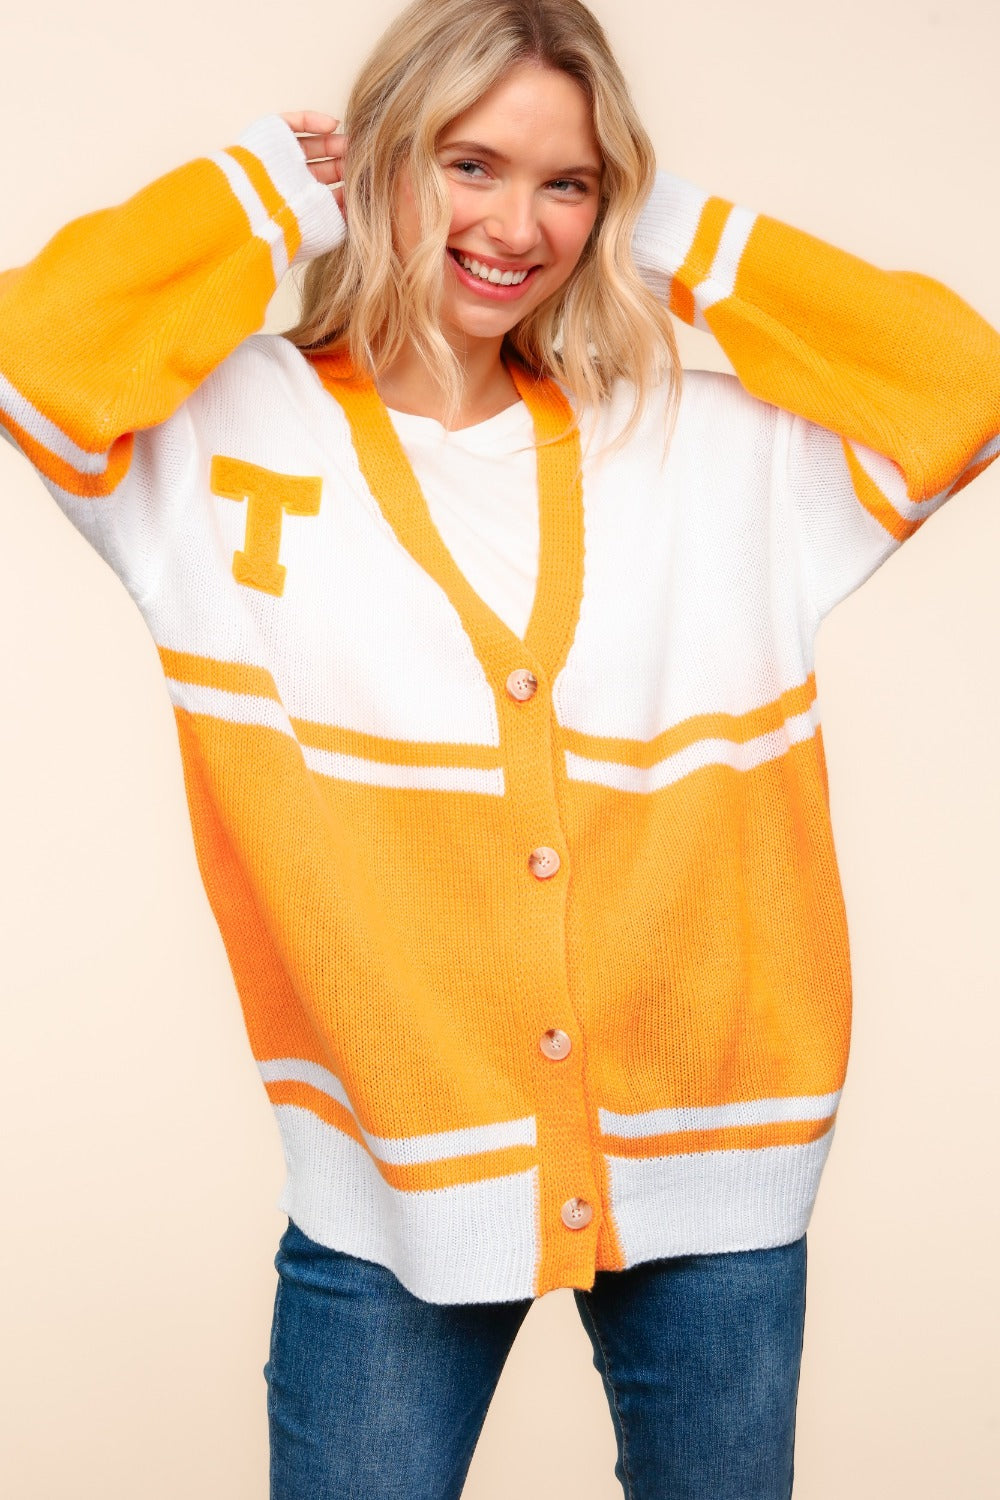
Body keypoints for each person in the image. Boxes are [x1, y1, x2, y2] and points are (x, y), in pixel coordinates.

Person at [1, 0, 997, 1495]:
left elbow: (959, 385)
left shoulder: (694, 446)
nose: (513, 224)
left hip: (717, 1149)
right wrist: (270, 181)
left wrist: (674, 223)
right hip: (393, 1171)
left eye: (568, 183)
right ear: (384, 161)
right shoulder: (218, 443)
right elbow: (38, 350)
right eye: (466, 164)